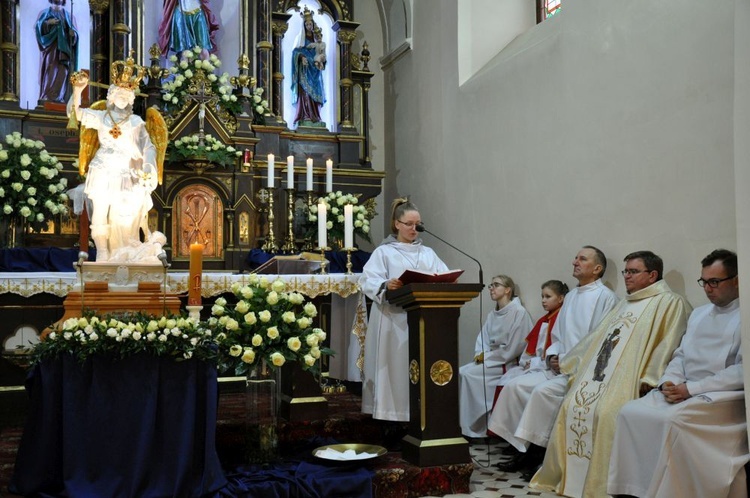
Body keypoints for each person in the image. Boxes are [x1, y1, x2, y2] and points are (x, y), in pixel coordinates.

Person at [530, 250, 691, 498]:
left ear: (653, 275)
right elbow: (595, 339)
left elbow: (669, 343)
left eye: (633, 271)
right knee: (571, 405)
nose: (626, 276)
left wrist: (650, 377)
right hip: (600, 376)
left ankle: (605, 484)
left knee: (605, 413)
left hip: (629, 381)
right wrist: (571, 362)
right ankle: (570, 479)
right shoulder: (625, 303)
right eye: (625, 271)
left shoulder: (671, 302)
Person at [608, 249, 746, 498]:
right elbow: (680, 355)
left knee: (673, 421)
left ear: (736, 280)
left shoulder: (744, 316)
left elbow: (742, 372)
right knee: (630, 412)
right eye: (704, 281)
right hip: (683, 388)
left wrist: (691, 389)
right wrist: (668, 382)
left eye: (714, 282)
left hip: (721, 396)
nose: (707, 288)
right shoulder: (699, 313)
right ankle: (631, 490)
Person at [488, 246, 617, 474]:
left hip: (581, 372)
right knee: (515, 387)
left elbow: (598, 340)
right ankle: (520, 448)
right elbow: (557, 334)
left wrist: (566, 361)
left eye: (582, 259)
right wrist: (553, 355)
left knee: (541, 393)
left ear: (597, 269)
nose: (575, 262)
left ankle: (536, 455)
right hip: (559, 367)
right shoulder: (572, 297)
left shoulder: (605, 298)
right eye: (576, 257)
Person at [360, 198, 448, 422]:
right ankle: (391, 419)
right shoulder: (384, 253)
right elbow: (367, 280)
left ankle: (421, 417)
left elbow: (444, 276)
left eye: (418, 224)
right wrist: (386, 285)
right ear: (397, 224)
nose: (414, 228)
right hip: (394, 321)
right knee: (395, 371)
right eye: (409, 224)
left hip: (423, 321)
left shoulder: (428, 253)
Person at [67, 53, 159, 262]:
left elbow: (149, 146)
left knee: (123, 216)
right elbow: (76, 115)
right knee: (100, 209)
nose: (123, 98)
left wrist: (147, 166)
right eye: (119, 94)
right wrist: (78, 90)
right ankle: (102, 252)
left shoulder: (136, 121)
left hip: (126, 171)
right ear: (111, 96)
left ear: (132, 99)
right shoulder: (101, 117)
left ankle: (123, 250)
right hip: (102, 168)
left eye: (127, 95)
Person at [458, 275, 533, 439]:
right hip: (490, 359)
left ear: (508, 290)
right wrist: (480, 355)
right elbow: (482, 339)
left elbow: (515, 347)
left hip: (507, 363)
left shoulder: (519, 313)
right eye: (491, 285)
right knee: (462, 371)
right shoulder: (493, 314)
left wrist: (488, 357)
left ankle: (475, 429)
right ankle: (468, 427)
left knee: (468, 374)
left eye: (496, 285)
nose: (491, 288)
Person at [497, 280, 569, 385]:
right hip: (537, 365)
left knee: (514, 384)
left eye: (548, 297)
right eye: (542, 296)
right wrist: (528, 362)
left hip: (550, 370)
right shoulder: (542, 321)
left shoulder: (562, 320)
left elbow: (555, 356)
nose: (543, 300)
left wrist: (534, 363)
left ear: (560, 298)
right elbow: (530, 352)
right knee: (506, 378)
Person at [35, 0, 78, 103]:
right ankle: (46, 96)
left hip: (64, 51)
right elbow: (39, 29)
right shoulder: (45, 13)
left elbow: (75, 35)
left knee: (63, 72)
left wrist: (73, 35)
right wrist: (48, 23)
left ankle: (59, 97)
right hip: (51, 49)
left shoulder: (68, 16)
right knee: (50, 70)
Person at [291, 7, 326, 127]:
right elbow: (295, 52)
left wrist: (322, 60)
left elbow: (322, 53)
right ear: (304, 25)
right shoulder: (300, 38)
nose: (309, 26)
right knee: (305, 94)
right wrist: (301, 57)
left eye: (310, 24)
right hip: (305, 71)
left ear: (313, 24)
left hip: (315, 71)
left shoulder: (317, 38)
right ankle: (305, 115)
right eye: (307, 24)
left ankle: (315, 116)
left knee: (315, 96)